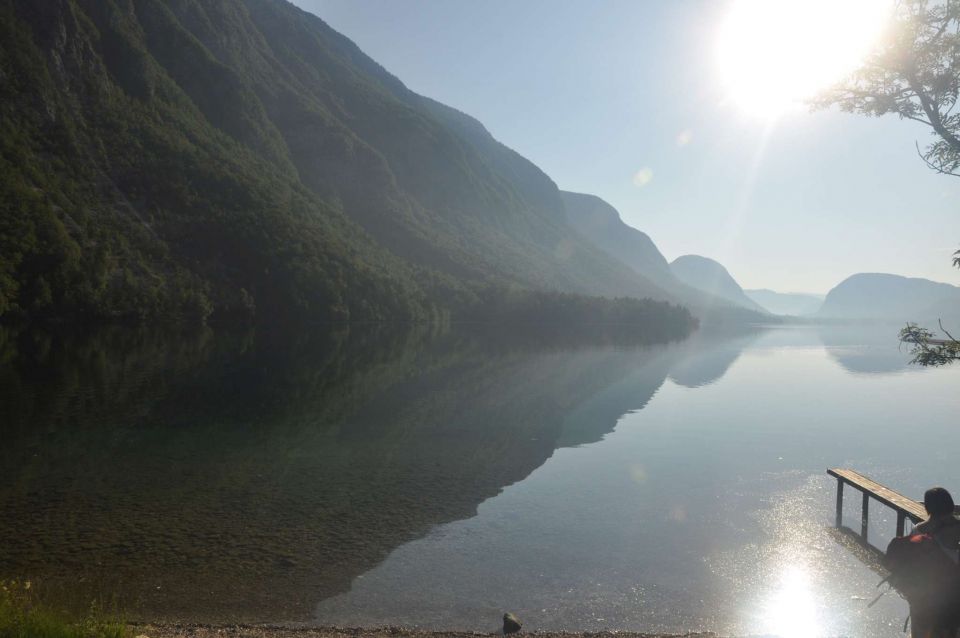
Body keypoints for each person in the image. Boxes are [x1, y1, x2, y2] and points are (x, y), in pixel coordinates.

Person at [909, 487, 960, 638]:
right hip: (953, 595)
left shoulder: (918, 530)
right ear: (950, 505)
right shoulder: (958, 528)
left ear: (927, 507)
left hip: (924, 597)